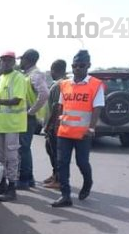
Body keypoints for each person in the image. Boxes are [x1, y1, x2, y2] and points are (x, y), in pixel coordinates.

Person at [52, 50, 104, 207]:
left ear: (88, 65)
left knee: (82, 162)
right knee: (62, 163)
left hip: (83, 133)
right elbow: (61, 105)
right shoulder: (65, 84)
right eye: (74, 65)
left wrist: (92, 128)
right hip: (65, 131)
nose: (77, 69)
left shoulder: (95, 85)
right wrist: (56, 124)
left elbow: (97, 108)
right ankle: (65, 195)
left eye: (81, 65)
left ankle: (88, 182)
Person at [0, 51, 28, 202]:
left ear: (14, 62)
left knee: (12, 157)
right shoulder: (0, 78)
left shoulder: (19, 77)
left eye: (8, 60)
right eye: (3, 60)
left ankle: (11, 187)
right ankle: (1, 184)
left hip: (13, 124)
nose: (5, 63)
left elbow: (16, 100)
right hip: (0, 123)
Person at [17, 49, 50, 189]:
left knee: (23, 148)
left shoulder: (35, 74)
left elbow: (44, 94)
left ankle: (24, 179)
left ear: (28, 60)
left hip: (29, 117)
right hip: (26, 117)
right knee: (24, 148)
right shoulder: (28, 75)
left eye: (22, 59)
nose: (20, 62)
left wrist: (31, 111)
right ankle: (28, 178)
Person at [42, 59, 68, 189]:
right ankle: (55, 175)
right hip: (56, 124)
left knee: (55, 153)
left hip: (55, 125)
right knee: (50, 150)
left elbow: (56, 107)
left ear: (55, 70)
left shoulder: (59, 85)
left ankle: (58, 179)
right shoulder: (62, 84)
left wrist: (49, 126)